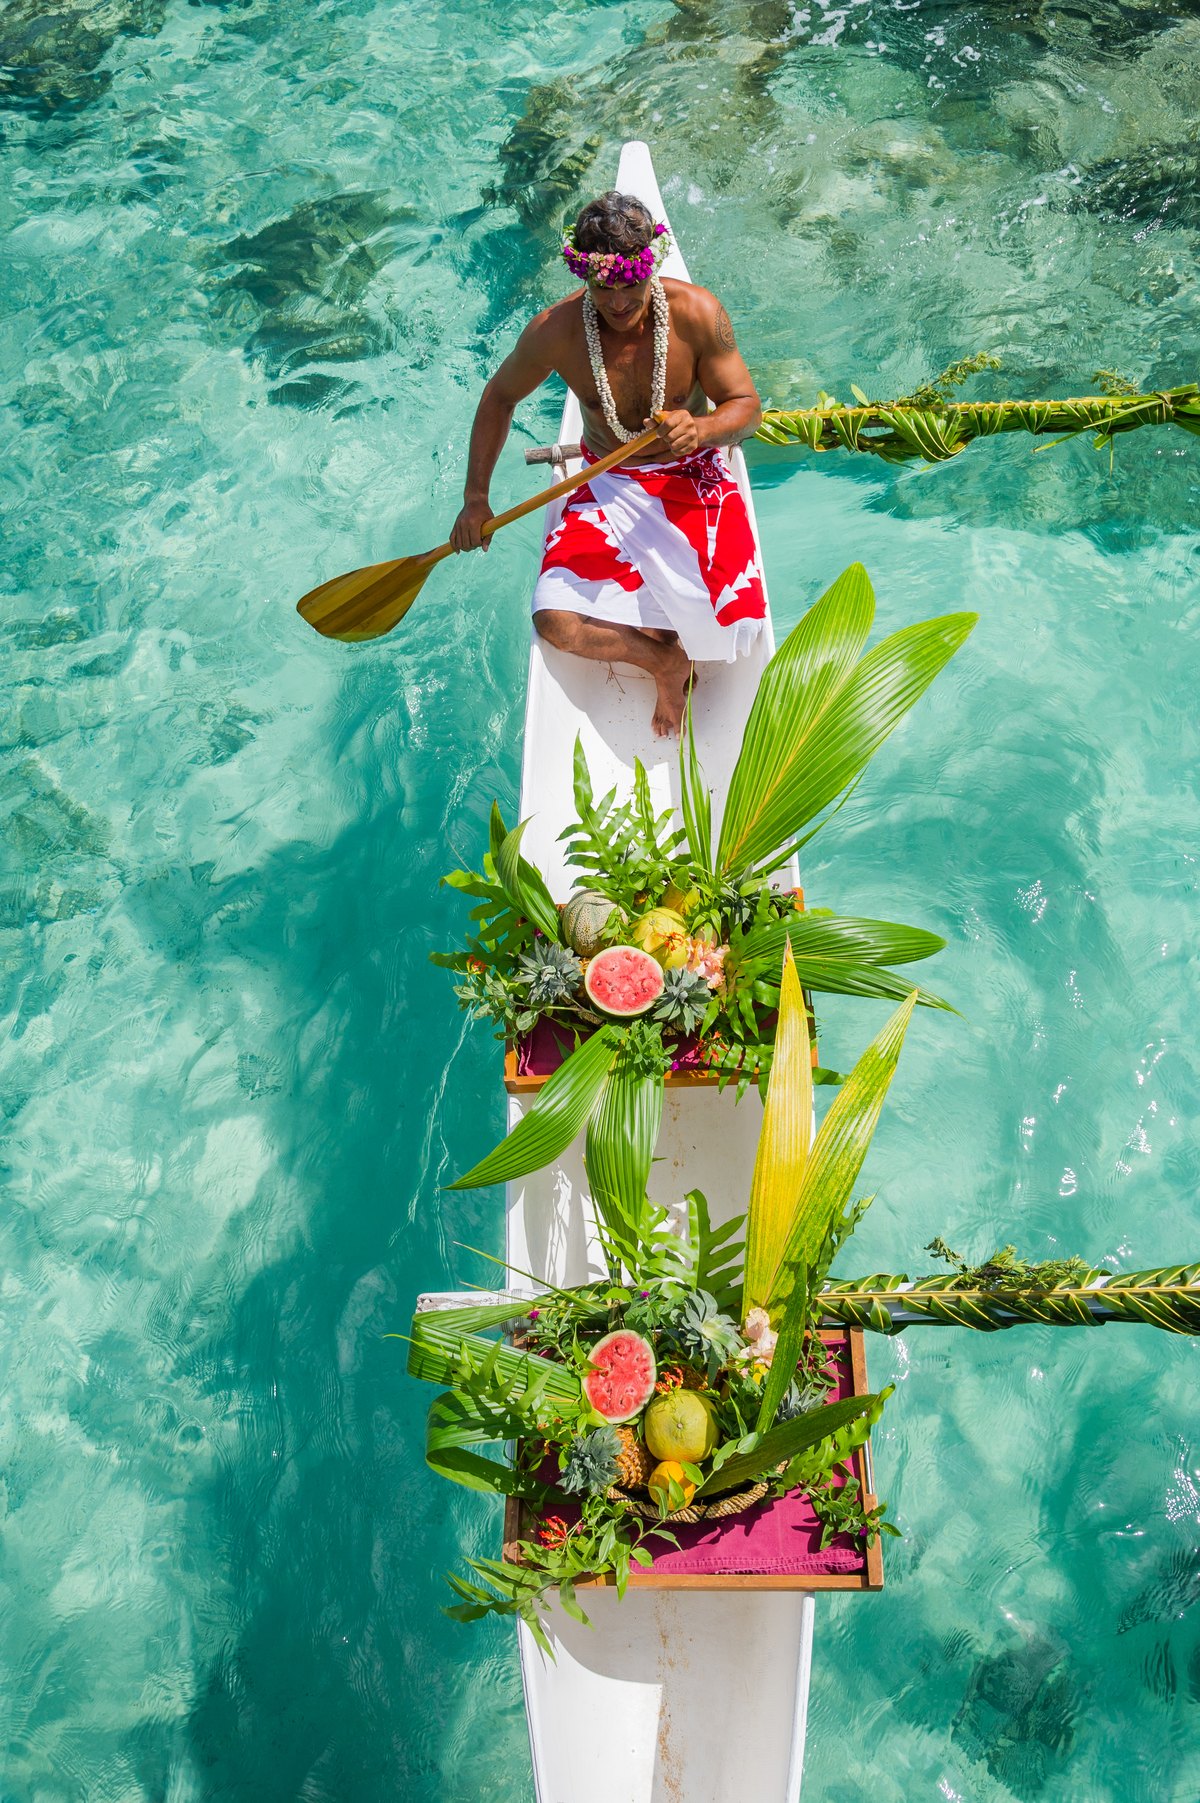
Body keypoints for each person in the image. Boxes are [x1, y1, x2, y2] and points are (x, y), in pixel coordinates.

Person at [450, 190, 767, 736]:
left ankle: (665, 629)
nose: (618, 302)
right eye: (603, 286)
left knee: (737, 623)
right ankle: (664, 661)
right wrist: (475, 498)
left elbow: (747, 408)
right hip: (607, 480)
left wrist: (702, 429)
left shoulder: (697, 313)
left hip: (692, 476)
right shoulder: (557, 331)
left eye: (630, 283)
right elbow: (498, 398)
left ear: (651, 267)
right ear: (584, 276)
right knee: (555, 621)